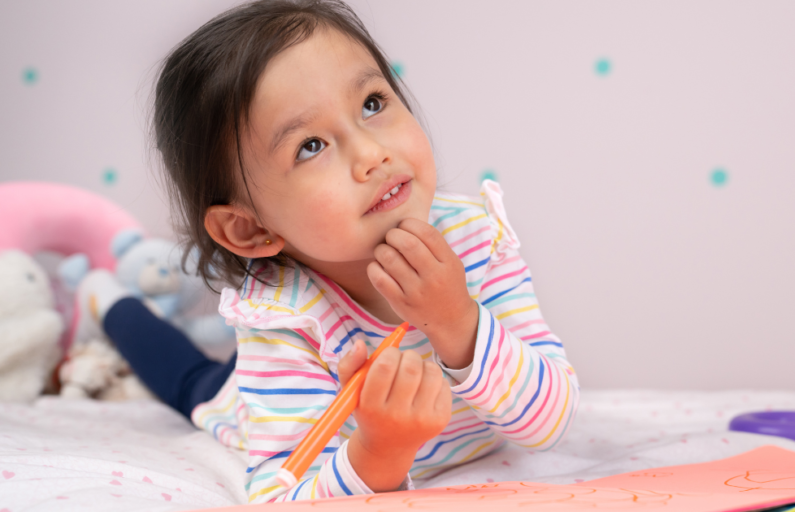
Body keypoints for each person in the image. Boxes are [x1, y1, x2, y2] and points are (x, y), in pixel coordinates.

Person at [76, 0, 578, 503]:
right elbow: (277, 494)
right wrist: (380, 451)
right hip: (246, 394)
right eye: (311, 145)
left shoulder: (475, 237)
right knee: (190, 379)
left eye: (373, 104)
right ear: (249, 229)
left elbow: (551, 421)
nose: (370, 154)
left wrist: (458, 323)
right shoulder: (283, 319)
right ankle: (104, 299)